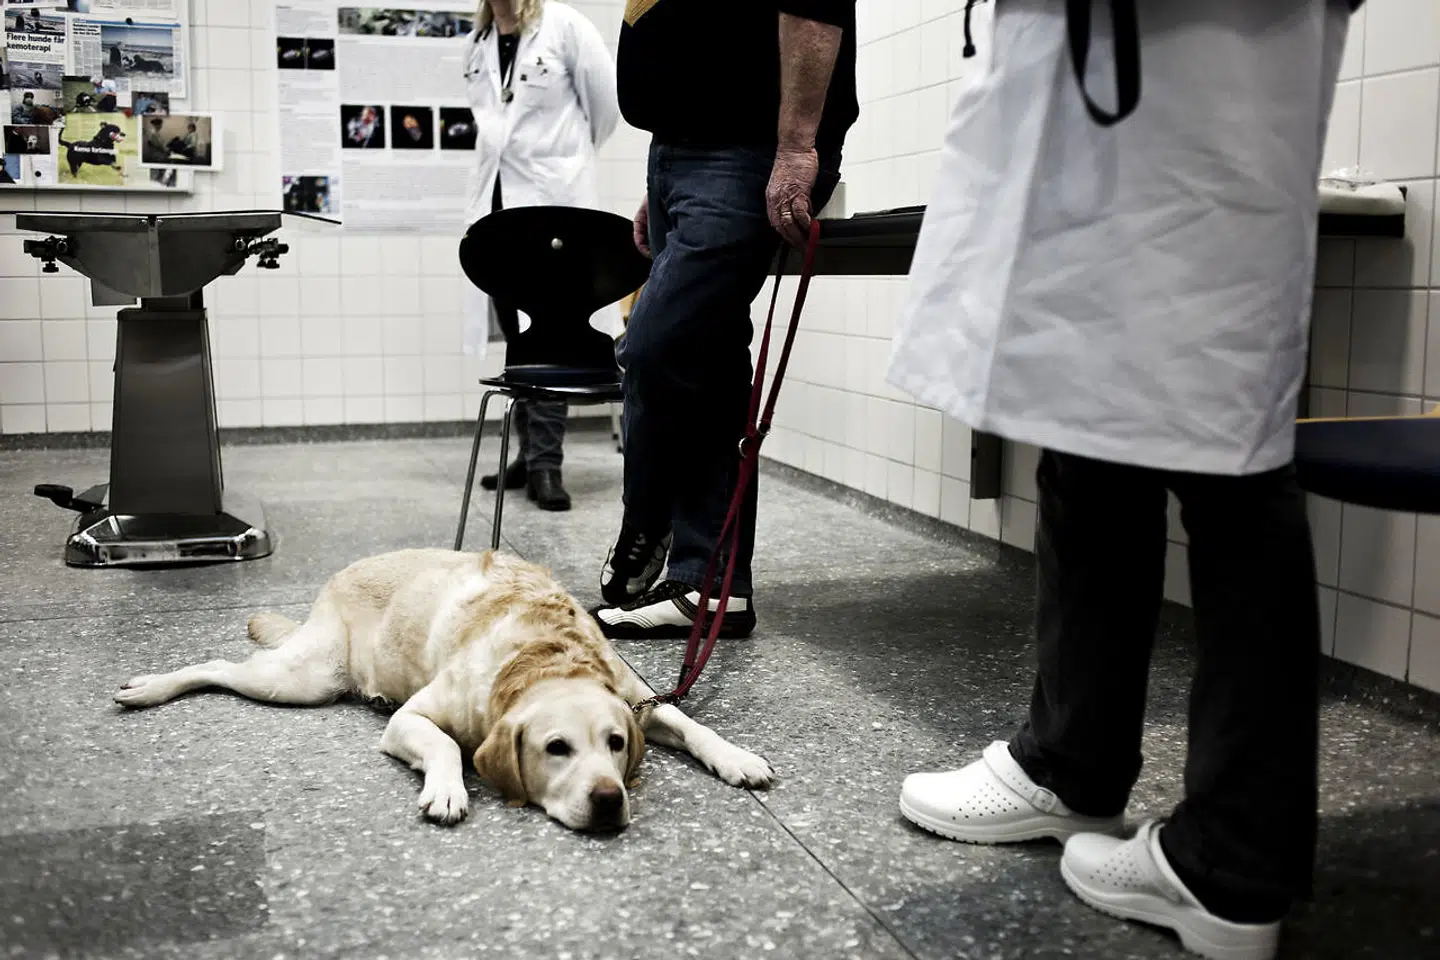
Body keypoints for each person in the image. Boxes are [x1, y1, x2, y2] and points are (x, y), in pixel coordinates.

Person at [887, 2, 1363, 958]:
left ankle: (1227, 861)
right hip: (1148, 61)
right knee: (1092, 414)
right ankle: (1073, 765)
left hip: (1198, 58)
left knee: (1229, 455)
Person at [588, 1, 856, 639]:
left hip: (749, 147)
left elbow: (815, 4)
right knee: (707, 350)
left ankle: (649, 518)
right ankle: (714, 585)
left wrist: (795, 148)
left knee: (655, 347)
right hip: (680, 151)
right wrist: (663, 184)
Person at [461, 0, 619, 512]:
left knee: (553, 335)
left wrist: (564, 162)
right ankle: (528, 454)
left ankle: (546, 465)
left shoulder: (566, 27)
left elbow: (606, 110)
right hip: (499, 213)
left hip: (555, 208)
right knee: (517, 337)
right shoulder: (477, 43)